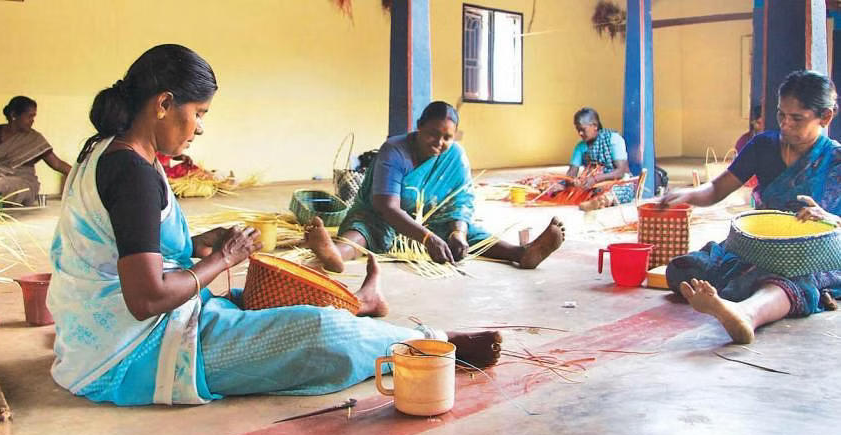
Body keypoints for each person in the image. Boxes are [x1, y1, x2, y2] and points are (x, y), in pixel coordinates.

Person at [46, 44, 501, 406]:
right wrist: (225, 257)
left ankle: (357, 303)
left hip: (101, 334)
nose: (199, 127)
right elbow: (147, 298)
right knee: (322, 337)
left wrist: (202, 242)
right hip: (130, 354)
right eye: (199, 112)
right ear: (165, 104)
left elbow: (131, 240)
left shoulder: (109, 150)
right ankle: (431, 343)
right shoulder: (133, 172)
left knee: (264, 297)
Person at [661, 70, 841, 345]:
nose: (785, 124)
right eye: (782, 115)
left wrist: (829, 218)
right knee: (682, 270)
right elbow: (716, 190)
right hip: (760, 247)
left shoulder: (836, 160)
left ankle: (746, 314)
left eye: (797, 119)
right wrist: (685, 194)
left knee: (786, 281)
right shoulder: (763, 146)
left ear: (825, 117)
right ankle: (766, 295)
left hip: (811, 257)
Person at [305, 101, 565, 274]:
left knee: (472, 235)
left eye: (447, 137)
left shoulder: (456, 157)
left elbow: (460, 203)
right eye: (432, 133)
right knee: (362, 232)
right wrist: (427, 239)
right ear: (419, 126)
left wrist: (457, 234)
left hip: (431, 221)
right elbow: (386, 205)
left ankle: (521, 253)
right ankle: (336, 254)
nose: (438, 143)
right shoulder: (394, 151)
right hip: (381, 218)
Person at [0, 96, 72, 206]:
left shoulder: (35, 138)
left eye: (34, 117)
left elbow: (57, 164)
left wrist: (79, 173)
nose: (32, 121)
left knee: (3, 184)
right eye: (29, 116)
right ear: (13, 115)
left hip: (23, 184)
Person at [564, 107, 635, 211]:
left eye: (583, 129)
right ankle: (595, 201)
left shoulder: (613, 139)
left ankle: (600, 201)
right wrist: (573, 181)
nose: (580, 133)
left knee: (619, 191)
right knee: (562, 187)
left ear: (595, 126)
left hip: (617, 182)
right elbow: (571, 173)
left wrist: (595, 179)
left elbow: (620, 172)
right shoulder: (580, 147)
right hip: (594, 185)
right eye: (578, 130)